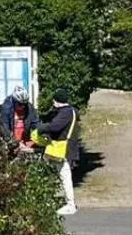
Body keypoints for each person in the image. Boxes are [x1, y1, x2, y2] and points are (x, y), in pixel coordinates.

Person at [36, 88, 81, 216]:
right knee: (59, 174)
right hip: (68, 148)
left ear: (57, 101)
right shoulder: (72, 111)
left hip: (63, 149)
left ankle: (70, 204)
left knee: (64, 175)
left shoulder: (65, 113)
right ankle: (60, 201)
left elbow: (54, 127)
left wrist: (40, 128)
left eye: (54, 100)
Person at [0, 86, 40, 154]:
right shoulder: (6, 108)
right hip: (11, 141)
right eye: (20, 104)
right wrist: (15, 143)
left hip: (24, 140)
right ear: (14, 101)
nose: (23, 106)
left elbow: (35, 123)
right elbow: (4, 129)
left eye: (24, 104)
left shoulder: (29, 107)